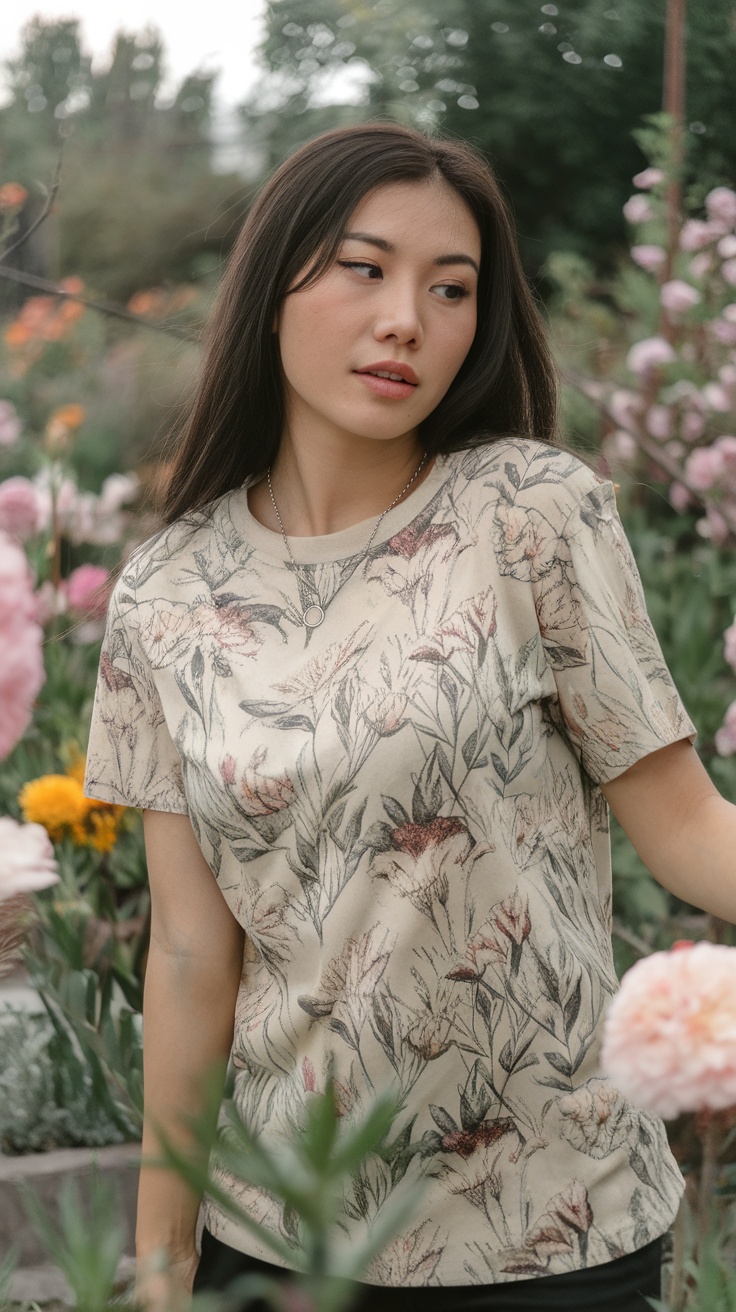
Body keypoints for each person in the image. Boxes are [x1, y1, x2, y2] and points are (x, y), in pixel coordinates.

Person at [82, 122, 735, 1312]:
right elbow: (186, 953)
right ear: (272, 282)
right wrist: (163, 1257)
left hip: (552, 1230)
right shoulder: (164, 591)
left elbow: (688, 828)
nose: (406, 322)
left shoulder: (532, 512)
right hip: (283, 1237)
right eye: (363, 268)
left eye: (451, 290)